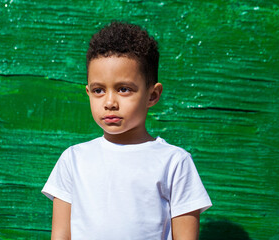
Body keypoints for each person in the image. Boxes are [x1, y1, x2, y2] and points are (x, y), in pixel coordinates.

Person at [42, 21, 212, 240]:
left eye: (124, 89)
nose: (110, 102)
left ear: (152, 95)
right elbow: (61, 236)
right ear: (88, 92)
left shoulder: (175, 162)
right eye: (98, 90)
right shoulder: (72, 160)